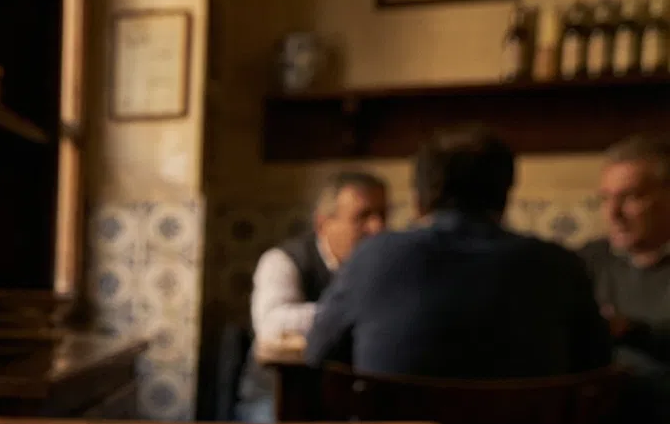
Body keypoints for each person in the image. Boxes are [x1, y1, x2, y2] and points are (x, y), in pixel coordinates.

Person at [306, 126, 610, 378]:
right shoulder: (560, 266)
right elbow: (595, 366)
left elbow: (318, 355)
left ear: (419, 201)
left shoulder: (373, 257)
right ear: (504, 198)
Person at [581, 135, 670, 424]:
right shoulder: (589, 260)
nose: (612, 213)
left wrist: (630, 330)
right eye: (605, 198)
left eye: (630, 197)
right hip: (591, 412)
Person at [250, 170, 390, 344]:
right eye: (363, 216)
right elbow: (270, 325)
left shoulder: (384, 264)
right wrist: (345, 312)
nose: (378, 227)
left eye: (382, 215)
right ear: (323, 224)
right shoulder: (282, 260)